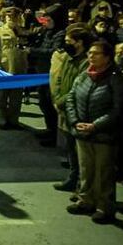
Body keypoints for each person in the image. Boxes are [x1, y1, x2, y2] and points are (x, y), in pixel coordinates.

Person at [65, 40, 123, 224]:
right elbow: (71, 97)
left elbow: (118, 109)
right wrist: (75, 121)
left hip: (104, 134)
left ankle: (104, 207)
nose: (91, 56)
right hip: (82, 131)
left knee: (104, 172)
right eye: (90, 53)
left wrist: (95, 125)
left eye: (96, 53)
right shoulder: (85, 75)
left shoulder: (115, 78)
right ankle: (85, 200)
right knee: (86, 169)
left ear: (107, 57)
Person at [51, 25, 92, 196]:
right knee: (70, 148)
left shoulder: (85, 63)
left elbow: (77, 89)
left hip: (76, 111)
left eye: (69, 41)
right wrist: (57, 97)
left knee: (80, 152)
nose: (65, 44)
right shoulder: (69, 58)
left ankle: (83, 186)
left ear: (79, 42)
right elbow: (60, 78)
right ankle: (73, 178)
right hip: (64, 109)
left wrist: (60, 101)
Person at [0, 7, 29, 130]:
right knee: (2, 96)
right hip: (4, 67)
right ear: (5, 18)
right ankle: (2, 119)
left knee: (16, 97)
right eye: (9, 17)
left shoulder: (22, 31)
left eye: (14, 17)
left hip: (19, 67)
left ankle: (14, 120)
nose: (11, 19)